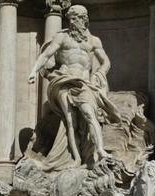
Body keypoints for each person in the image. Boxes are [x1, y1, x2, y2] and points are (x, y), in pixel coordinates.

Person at [28, 5, 120, 169]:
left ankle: (99, 150)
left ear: (84, 19)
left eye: (76, 18)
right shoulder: (62, 37)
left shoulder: (94, 40)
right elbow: (46, 54)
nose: (72, 21)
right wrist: (34, 71)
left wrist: (100, 73)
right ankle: (76, 158)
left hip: (84, 83)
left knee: (90, 114)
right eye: (70, 18)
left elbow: (106, 61)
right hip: (64, 81)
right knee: (71, 122)